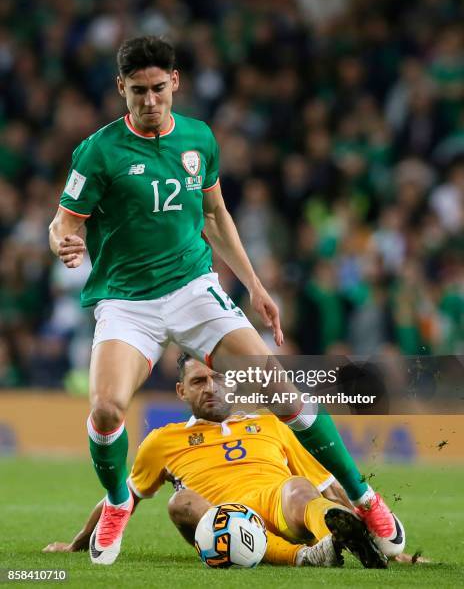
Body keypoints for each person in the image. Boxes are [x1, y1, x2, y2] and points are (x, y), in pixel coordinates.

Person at [48, 36, 403, 565]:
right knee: (104, 410)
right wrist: (63, 243)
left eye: (159, 89)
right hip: (127, 300)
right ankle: (119, 502)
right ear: (121, 88)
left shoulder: (199, 139)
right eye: (138, 91)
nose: (150, 101)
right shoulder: (97, 151)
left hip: (194, 288)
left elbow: (215, 215)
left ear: (176, 83)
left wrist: (256, 286)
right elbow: (63, 224)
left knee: (280, 388)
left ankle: (365, 499)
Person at [43, 355, 388, 569]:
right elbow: (123, 497)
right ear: (181, 391)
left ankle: (338, 541)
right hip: (225, 520)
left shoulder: (271, 422)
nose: (211, 387)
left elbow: (328, 486)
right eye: (199, 381)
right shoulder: (163, 440)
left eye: (218, 377)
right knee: (181, 502)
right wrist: (78, 541)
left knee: (301, 488)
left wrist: (383, 542)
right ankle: (306, 556)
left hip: (280, 504)